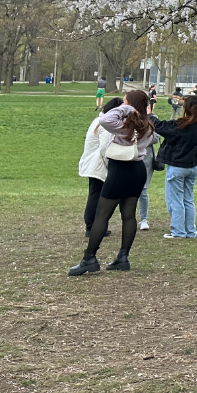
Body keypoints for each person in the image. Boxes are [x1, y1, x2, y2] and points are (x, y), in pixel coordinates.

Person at [68, 89, 156, 276]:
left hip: (120, 169)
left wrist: (125, 108)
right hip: (137, 170)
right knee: (129, 215)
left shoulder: (125, 124)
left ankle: (89, 258)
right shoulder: (147, 126)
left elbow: (105, 119)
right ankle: (123, 257)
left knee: (102, 215)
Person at [152, 94, 197, 239]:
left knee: (175, 200)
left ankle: (178, 231)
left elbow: (159, 126)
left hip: (177, 167)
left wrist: (149, 114)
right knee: (187, 199)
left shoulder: (181, 125)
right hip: (192, 166)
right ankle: (190, 231)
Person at [78, 97, 123, 237]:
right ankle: (92, 226)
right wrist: (111, 164)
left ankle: (95, 225)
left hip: (95, 163)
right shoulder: (105, 124)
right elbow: (105, 147)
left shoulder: (99, 121)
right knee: (97, 196)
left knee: (96, 195)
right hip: (99, 164)